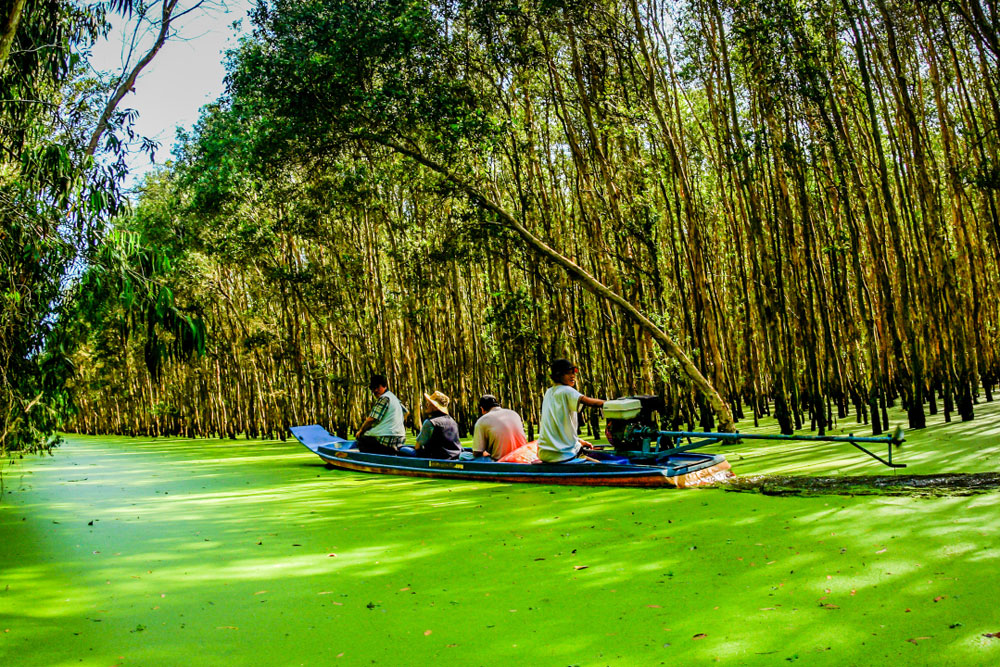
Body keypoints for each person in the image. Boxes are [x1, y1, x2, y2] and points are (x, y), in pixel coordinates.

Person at [537, 359, 605, 463]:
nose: (572, 376)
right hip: (563, 455)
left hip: (544, 454)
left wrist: (578, 441)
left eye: (574, 373)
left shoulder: (548, 392)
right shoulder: (566, 390)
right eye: (568, 373)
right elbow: (591, 402)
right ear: (558, 375)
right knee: (601, 464)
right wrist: (612, 404)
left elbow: (556, 428)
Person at [355, 374, 409, 455]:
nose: (375, 391)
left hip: (386, 438)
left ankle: (370, 461)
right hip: (400, 438)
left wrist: (360, 431)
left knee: (362, 438)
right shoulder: (393, 398)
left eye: (377, 387)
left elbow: (371, 419)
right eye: (372, 388)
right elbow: (406, 412)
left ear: (384, 386)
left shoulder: (384, 398)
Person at [471, 394, 527, 460]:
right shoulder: (514, 414)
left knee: (463, 456)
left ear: (482, 409)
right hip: (523, 457)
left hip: (502, 461)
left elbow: (477, 452)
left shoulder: (482, 421)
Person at [413, 391, 463, 460]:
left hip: (436, 459)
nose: (427, 405)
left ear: (435, 407)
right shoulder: (453, 422)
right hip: (455, 457)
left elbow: (417, 446)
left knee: (403, 450)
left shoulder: (430, 422)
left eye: (429, 403)